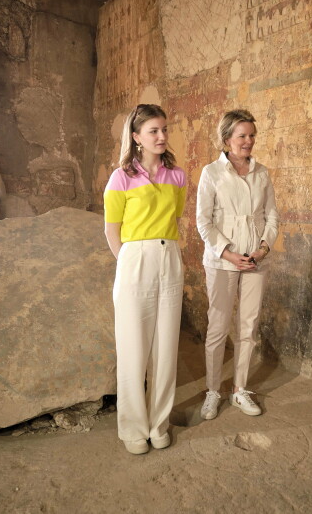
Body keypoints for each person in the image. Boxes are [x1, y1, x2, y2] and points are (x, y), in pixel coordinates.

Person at [103, 104, 187, 455]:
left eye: (164, 129)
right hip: (134, 258)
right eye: (153, 131)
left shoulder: (178, 176)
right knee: (134, 348)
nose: (162, 136)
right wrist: (127, 261)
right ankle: (133, 429)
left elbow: (176, 217)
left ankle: (159, 424)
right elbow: (111, 229)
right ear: (136, 137)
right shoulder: (120, 178)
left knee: (166, 348)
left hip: (170, 257)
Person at [196, 109, 280, 420]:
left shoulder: (262, 173)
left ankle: (239, 390)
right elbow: (203, 223)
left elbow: (272, 216)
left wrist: (262, 249)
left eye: (252, 135)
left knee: (249, 326)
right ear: (227, 138)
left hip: (255, 261)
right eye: (242, 135)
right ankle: (213, 391)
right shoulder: (212, 173)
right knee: (218, 328)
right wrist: (229, 253)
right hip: (222, 262)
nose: (248, 141)